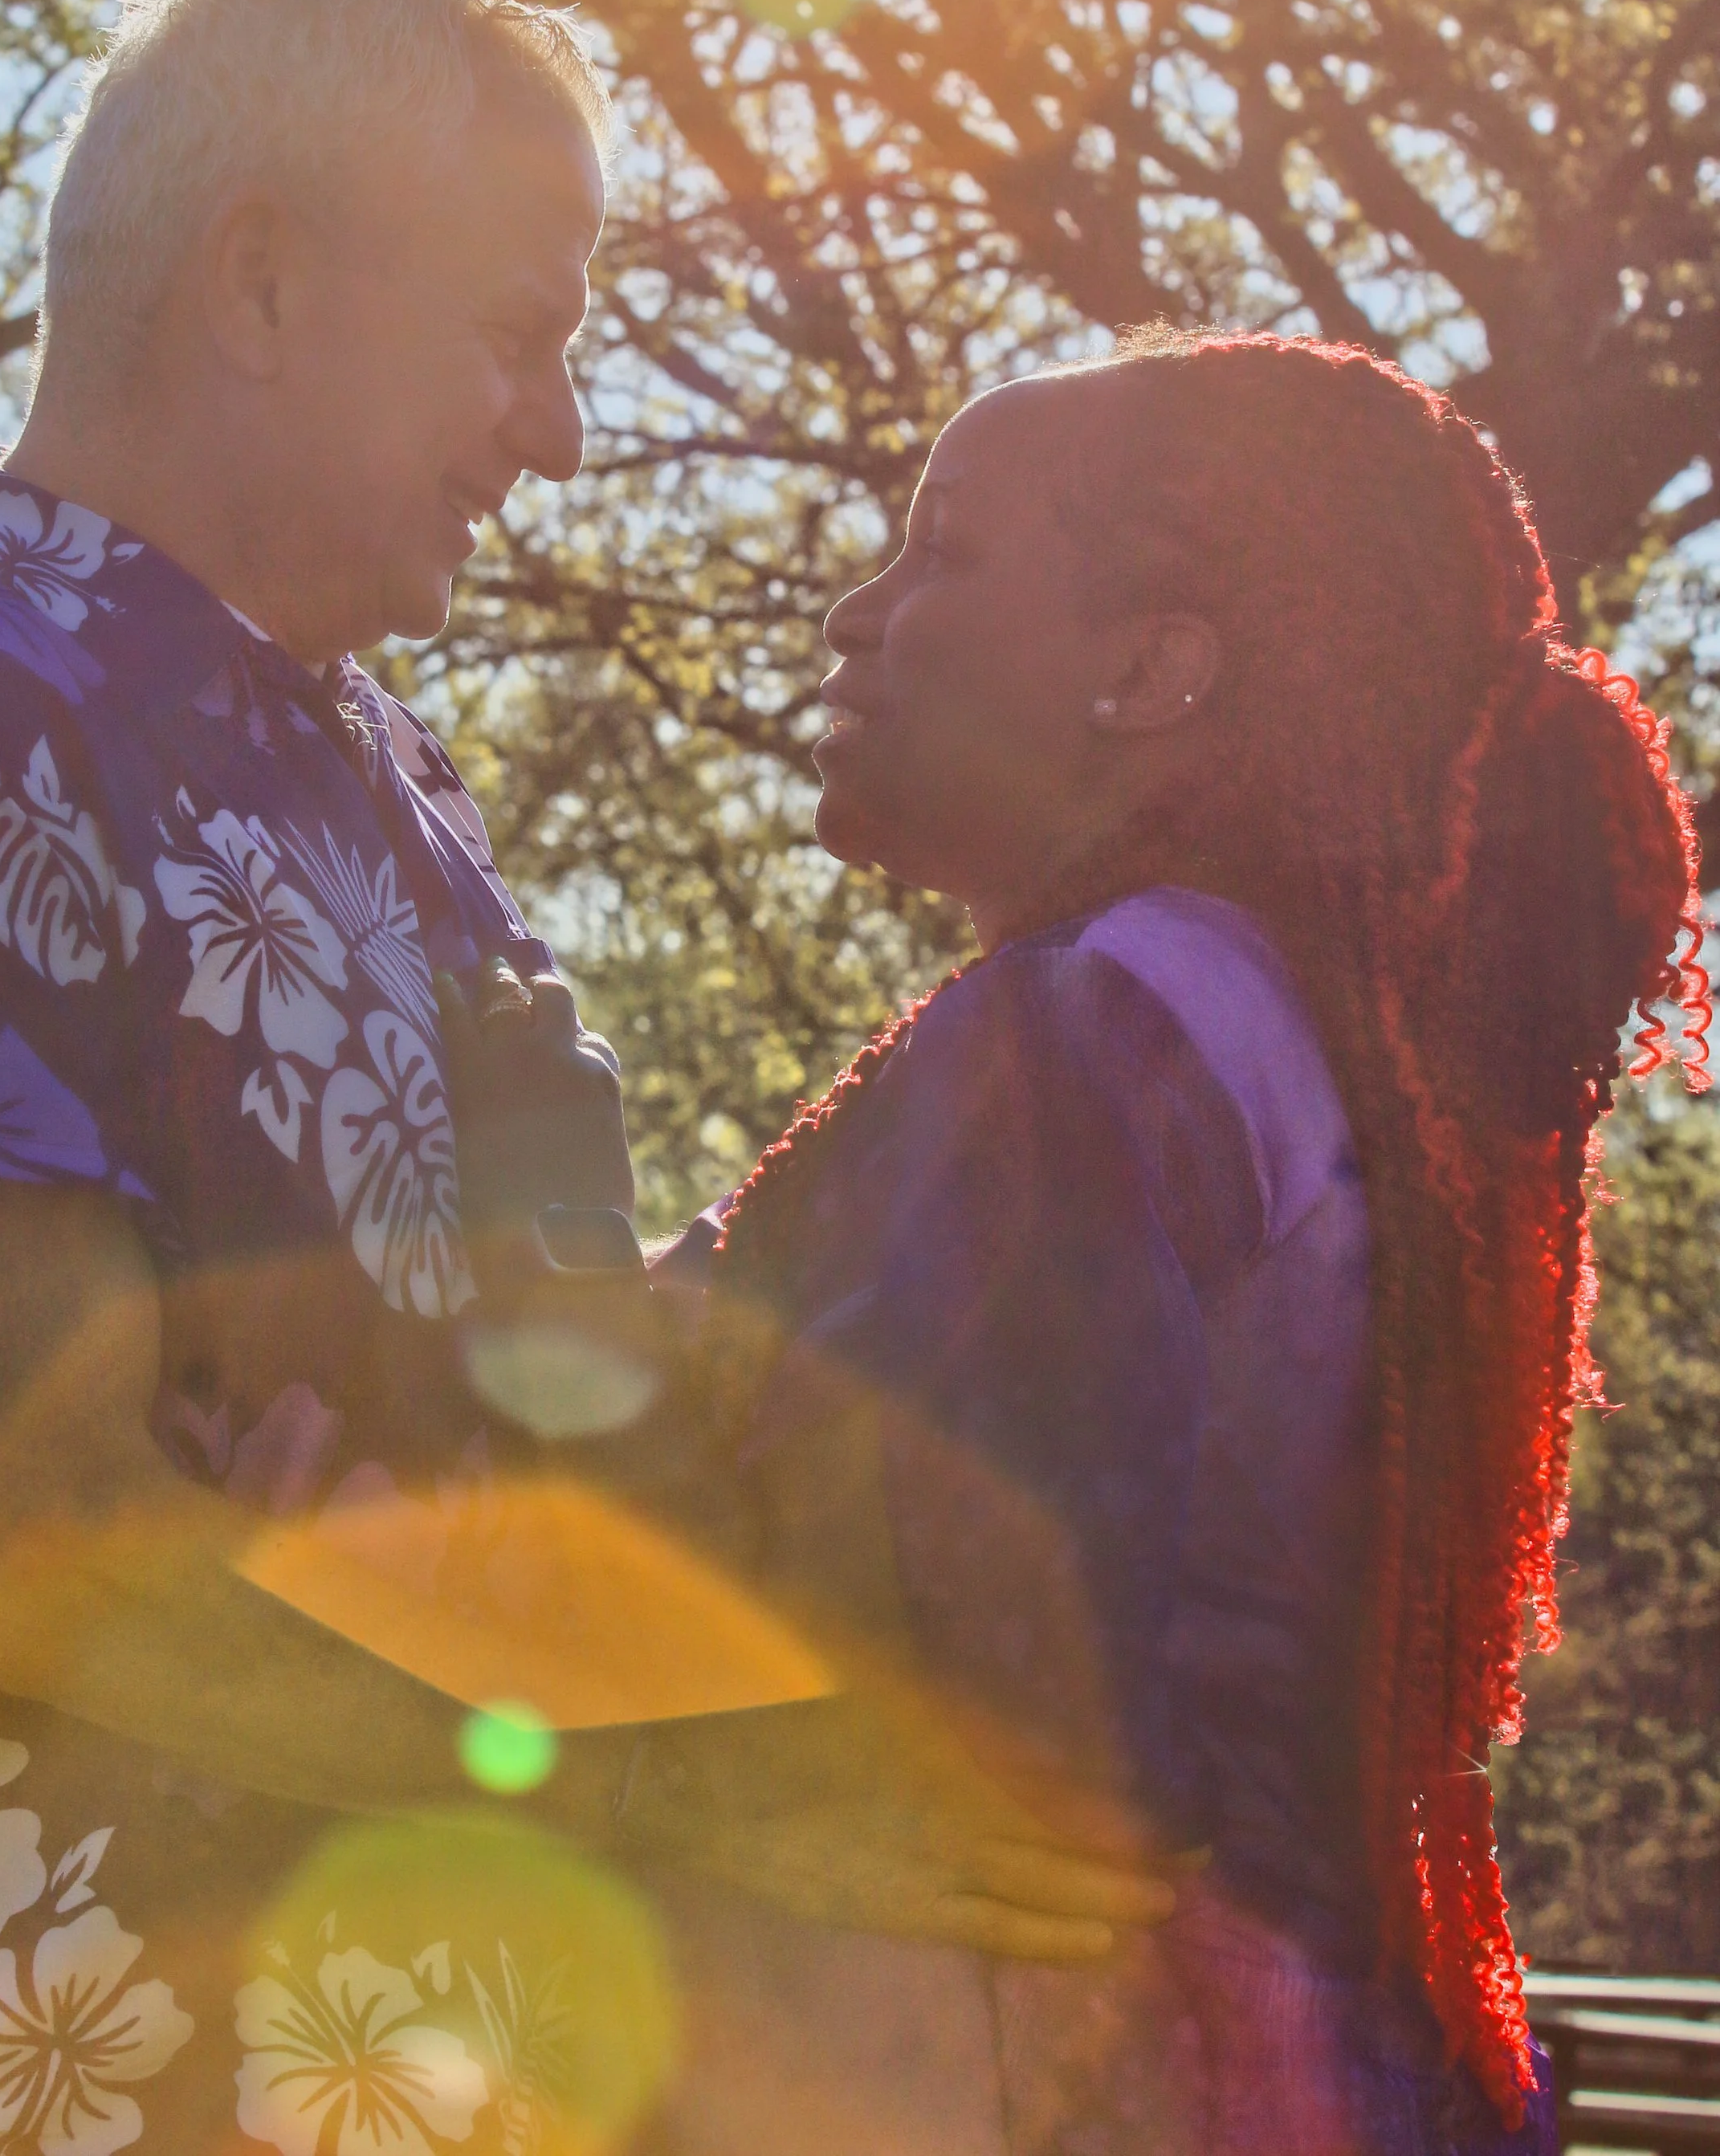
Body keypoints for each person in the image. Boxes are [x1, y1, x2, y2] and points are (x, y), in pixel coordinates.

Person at [0, 0, 1164, 2152]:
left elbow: (542, 1397)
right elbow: (54, 1547)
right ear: (264, 282)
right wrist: (714, 1792)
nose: (561, 431)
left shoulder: (374, 769)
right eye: (518, 336)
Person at [658, 331, 1708, 2154]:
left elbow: (924, 1691)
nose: (854, 611)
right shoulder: (1311, 1043)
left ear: (1148, 672)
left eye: (943, 554)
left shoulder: (1088, 1040)